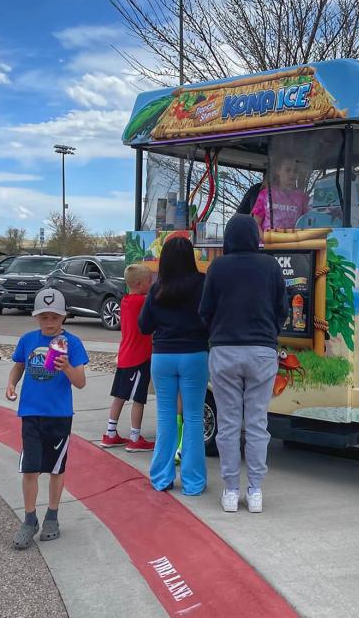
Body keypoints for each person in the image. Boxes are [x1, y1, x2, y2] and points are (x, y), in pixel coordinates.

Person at [199, 215, 286, 513]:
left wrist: (217, 332)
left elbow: (205, 310)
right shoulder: (271, 266)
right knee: (257, 423)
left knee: (228, 424)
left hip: (224, 350)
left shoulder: (218, 267)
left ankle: (231, 490)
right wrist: (269, 334)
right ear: (255, 236)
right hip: (262, 350)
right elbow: (282, 309)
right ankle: (256, 491)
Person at [5, 287, 89, 550]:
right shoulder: (28, 340)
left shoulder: (72, 343)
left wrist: (66, 368)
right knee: (30, 468)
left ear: (63, 317)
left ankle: (52, 516)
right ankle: (30, 520)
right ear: (36, 317)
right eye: (44, 317)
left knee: (55, 469)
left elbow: (81, 383)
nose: (49, 323)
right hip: (30, 413)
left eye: (54, 317)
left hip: (59, 415)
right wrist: (11, 384)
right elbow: (19, 365)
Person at [138, 237, 209, 495]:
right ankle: (193, 482)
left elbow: (144, 326)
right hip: (194, 355)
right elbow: (210, 318)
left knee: (165, 417)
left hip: (163, 357)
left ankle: (161, 477)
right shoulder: (202, 284)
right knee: (192, 418)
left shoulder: (157, 289)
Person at [101, 264, 155, 452]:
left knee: (119, 396)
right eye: (150, 281)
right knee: (139, 399)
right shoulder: (142, 302)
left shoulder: (126, 301)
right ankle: (135, 437)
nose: (153, 283)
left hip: (125, 356)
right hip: (139, 358)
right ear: (140, 284)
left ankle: (110, 433)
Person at [251, 156, 309, 231]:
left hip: (293, 241)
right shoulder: (266, 194)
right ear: (278, 171)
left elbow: (308, 224)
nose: (292, 175)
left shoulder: (303, 198)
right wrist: (265, 240)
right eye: (288, 170)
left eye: (295, 171)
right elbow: (255, 224)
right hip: (267, 241)